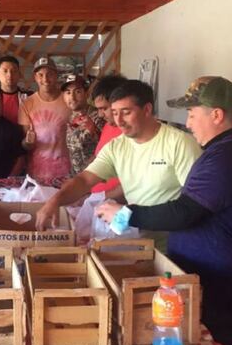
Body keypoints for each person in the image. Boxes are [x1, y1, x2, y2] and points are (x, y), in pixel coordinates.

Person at [96, 76, 232, 345]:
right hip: (211, 273)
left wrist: (128, 213)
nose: (187, 123)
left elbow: (185, 212)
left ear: (216, 115)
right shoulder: (221, 151)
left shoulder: (225, 156)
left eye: (191, 113)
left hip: (223, 279)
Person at [36, 80, 201, 252]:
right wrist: (55, 201)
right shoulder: (117, 147)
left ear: (147, 110)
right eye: (114, 113)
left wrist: (126, 213)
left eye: (126, 112)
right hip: (139, 242)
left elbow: (193, 205)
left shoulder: (179, 144)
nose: (119, 121)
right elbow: (85, 180)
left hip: (174, 247)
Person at [18, 56, 71, 182]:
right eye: (40, 75)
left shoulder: (69, 100)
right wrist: (28, 142)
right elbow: (26, 145)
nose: (45, 79)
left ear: (56, 75)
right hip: (37, 173)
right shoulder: (26, 104)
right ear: (35, 77)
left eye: (50, 74)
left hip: (67, 172)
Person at [90, 74, 127, 194]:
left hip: (115, 206)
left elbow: (133, 182)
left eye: (104, 108)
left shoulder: (133, 134)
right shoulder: (108, 125)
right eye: (98, 109)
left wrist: (102, 199)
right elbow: (97, 158)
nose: (100, 115)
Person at [61, 74, 104, 175]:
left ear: (86, 93)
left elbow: (109, 146)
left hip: (96, 178)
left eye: (78, 91)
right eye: (68, 92)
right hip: (77, 177)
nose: (72, 97)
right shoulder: (71, 117)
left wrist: (94, 131)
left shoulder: (98, 116)